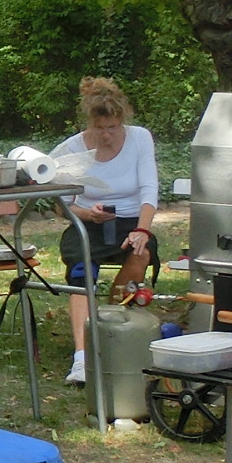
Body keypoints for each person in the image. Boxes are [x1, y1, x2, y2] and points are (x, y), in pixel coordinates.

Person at [50, 76, 159, 381]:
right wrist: (86, 212)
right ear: (91, 124)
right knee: (82, 269)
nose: (108, 135)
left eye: (113, 128)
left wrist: (143, 230)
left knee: (141, 252)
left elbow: (149, 189)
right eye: (101, 129)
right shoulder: (70, 150)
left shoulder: (139, 138)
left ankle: (113, 328)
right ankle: (82, 358)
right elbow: (60, 205)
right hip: (88, 221)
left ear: (122, 121)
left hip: (129, 220)